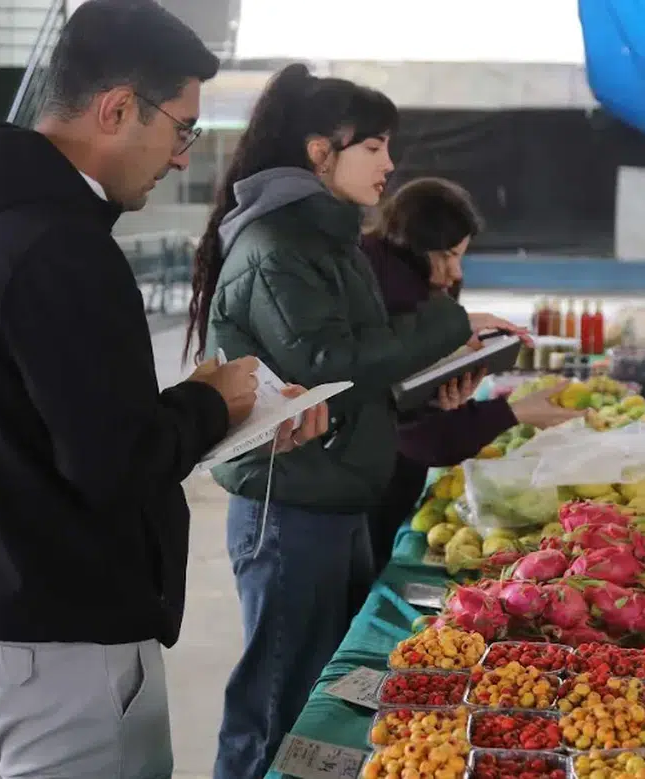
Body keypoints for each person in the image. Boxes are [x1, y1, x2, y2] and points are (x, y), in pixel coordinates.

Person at [0, 2, 328, 777]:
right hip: (67, 648)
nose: (183, 157)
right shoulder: (57, 247)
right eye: (181, 129)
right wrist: (213, 400)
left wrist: (219, 413)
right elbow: (112, 465)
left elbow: (43, 429)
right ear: (118, 109)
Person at [183, 65, 524, 779]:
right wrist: (449, 323)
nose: (390, 164)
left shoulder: (327, 241)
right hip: (290, 504)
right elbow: (334, 360)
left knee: (318, 703)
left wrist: (427, 391)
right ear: (319, 151)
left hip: (331, 493)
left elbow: (341, 385)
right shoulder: (279, 246)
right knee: (274, 708)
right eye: (374, 146)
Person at [362, 177, 583, 570]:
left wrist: (439, 395)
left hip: (380, 488)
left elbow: (410, 412)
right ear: (413, 244)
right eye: (446, 256)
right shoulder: (391, 297)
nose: (455, 272)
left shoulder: (408, 287)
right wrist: (513, 412)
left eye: (461, 256)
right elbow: (422, 439)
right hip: (366, 495)